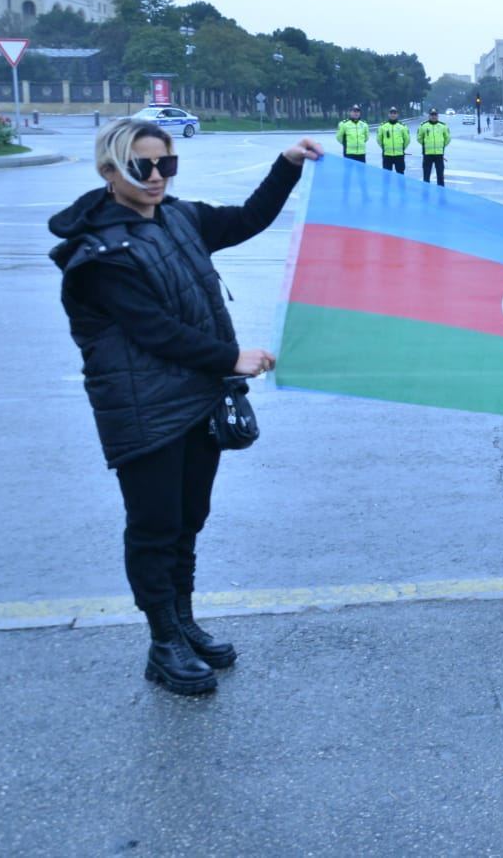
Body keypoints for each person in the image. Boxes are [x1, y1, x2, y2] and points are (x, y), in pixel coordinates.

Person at [48, 119, 323, 696]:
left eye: (164, 165)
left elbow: (247, 220)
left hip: (197, 401)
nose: (155, 177)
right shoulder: (100, 255)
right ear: (109, 172)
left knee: (188, 520)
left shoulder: (180, 218)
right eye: (140, 167)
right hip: (142, 409)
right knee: (154, 527)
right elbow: (157, 332)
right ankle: (162, 642)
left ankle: (183, 623)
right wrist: (233, 356)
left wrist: (287, 166)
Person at [417, 107, 451, 186]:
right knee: (426, 176)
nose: (433, 116)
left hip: (439, 154)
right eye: (432, 114)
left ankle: (441, 194)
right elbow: (419, 138)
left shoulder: (443, 126)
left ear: (437, 116)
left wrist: (441, 145)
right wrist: (426, 144)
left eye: (435, 115)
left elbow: (448, 138)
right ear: (429, 116)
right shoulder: (423, 126)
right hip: (427, 154)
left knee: (440, 176)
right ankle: (426, 194)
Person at [377, 107, 410, 174]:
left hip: (399, 155)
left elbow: (407, 139)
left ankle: (400, 185)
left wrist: (402, 148)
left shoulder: (402, 126)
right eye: (391, 113)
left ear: (397, 115)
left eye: (394, 113)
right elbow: (379, 139)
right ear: (388, 114)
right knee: (387, 176)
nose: (393, 115)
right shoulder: (383, 126)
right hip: (387, 155)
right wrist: (384, 148)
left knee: (400, 175)